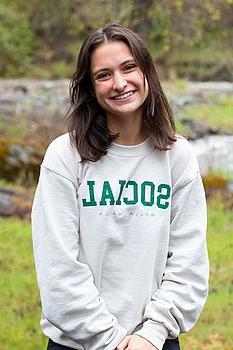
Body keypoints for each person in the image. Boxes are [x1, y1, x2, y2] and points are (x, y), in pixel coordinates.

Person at [31, 23, 209, 350]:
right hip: (78, 343)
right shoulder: (65, 157)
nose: (119, 83)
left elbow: (188, 263)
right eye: (103, 75)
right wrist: (112, 340)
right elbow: (58, 271)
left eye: (129, 67)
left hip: (154, 342)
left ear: (147, 74)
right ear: (90, 87)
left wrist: (150, 335)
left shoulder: (178, 156)